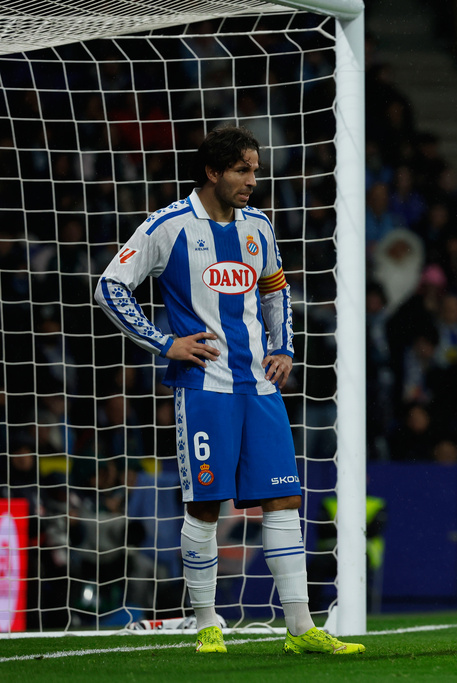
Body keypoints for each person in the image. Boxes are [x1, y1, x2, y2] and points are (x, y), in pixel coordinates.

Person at [94, 126, 364, 656]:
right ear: (213, 172)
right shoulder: (168, 226)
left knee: (284, 498)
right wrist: (165, 342)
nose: (252, 180)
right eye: (243, 170)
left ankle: (300, 628)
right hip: (204, 389)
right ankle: (207, 624)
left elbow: (276, 290)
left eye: (255, 170)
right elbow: (110, 286)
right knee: (206, 506)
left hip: (260, 387)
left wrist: (283, 347)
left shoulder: (258, 226)